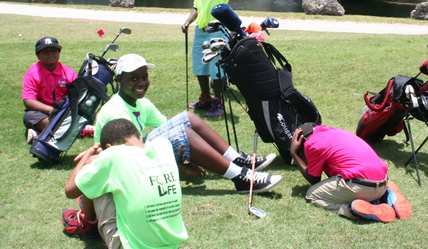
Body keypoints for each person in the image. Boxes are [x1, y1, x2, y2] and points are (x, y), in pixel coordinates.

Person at [62, 53, 281, 239]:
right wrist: (180, 165)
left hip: (134, 155)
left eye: (144, 77)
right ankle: (240, 177)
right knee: (181, 131)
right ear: (119, 79)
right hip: (124, 162)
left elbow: (166, 127)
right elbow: (132, 156)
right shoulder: (115, 111)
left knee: (187, 118)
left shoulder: (141, 103)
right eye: (133, 78)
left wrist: (186, 157)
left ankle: (237, 160)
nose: (141, 83)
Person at [64, 118, 189, 248]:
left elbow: (70, 190)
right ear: (140, 137)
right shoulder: (163, 146)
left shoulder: (112, 155)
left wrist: (89, 154)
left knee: (95, 166)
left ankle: (87, 223)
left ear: (109, 147)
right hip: (171, 244)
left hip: (129, 246)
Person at [290, 123, 412, 223]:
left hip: (362, 187)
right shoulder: (333, 131)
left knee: (312, 194)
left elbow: (314, 179)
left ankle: (351, 209)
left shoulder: (312, 144)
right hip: (382, 181)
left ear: (302, 140)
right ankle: (388, 196)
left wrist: (294, 153)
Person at [181, 0, 237, 117]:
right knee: (200, 66)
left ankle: (217, 101)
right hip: (201, 30)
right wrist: (187, 21)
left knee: (216, 68)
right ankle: (205, 98)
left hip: (217, 30)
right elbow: (197, 8)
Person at [22, 37, 77, 143]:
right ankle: (78, 130)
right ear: (38, 55)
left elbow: (77, 96)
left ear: (59, 53)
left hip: (65, 111)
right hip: (43, 112)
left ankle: (40, 133)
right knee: (29, 116)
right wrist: (51, 110)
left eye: (54, 51)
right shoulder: (32, 74)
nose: (50, 54)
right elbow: (28, 101)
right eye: (45, 51)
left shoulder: (69, 73)